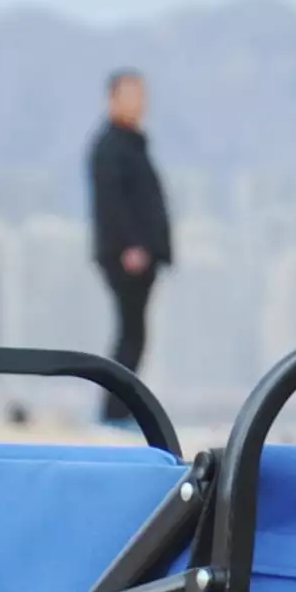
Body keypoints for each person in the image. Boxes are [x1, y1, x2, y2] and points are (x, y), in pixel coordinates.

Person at [87, 69, 172, 423]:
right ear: (113, 98)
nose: (139, 102)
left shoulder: (135, 143)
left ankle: (118, 411)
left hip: (143, 256)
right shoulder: (109, 147)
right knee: (129, 336)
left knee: (135, 335)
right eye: (132, 94)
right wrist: (131, 247)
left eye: (142, 94)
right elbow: (112, 204)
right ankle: (113, 413)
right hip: (127, 257)